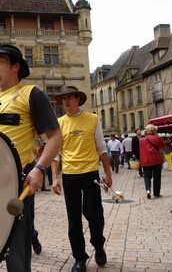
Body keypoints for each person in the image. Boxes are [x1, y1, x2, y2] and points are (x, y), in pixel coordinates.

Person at [0, 44, 63, 271]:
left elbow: (56, 137)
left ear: (16, 66)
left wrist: (39, 169)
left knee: (16, 254)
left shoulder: (31, 94)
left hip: (15, 183)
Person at [50, 85, 112, 272]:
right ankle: (79, 258)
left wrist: (108, 174)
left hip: (90, 172)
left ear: (78, 99)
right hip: (69, 174)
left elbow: (101, 147)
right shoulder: (59, 122)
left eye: (69, 98)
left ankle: (98, 244)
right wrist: (54, 178)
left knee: (93, 213)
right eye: (63, 99)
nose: (66, 102)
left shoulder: (92, 119)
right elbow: (56, 153)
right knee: (74, 219)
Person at [140, 124, 167, 199]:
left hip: (145, 160)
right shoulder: (157, 138)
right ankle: (156, 193)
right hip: (156, 160)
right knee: (157, 176)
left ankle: (148, 189)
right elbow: (163, 146)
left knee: (147, 176)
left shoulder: (142, 140)